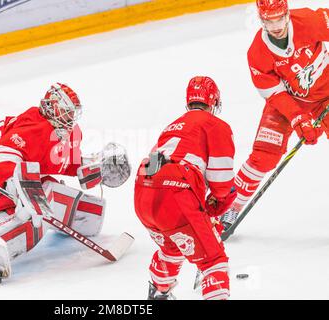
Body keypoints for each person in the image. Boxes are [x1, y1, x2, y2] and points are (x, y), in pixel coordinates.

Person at [0, 83, 130, 285]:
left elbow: (65, 163)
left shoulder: (63, 130)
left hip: (4, 166)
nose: (70, 118)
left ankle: (78, 218)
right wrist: (19, 189)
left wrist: (97, 168)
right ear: (52, 107)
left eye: (72, 113)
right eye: (65, 112)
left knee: (45, 191)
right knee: (16, 213)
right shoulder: (34, 128)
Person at [220, 0, 329, 230]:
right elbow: (276, 95)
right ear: (261, 20)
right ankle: (231, 206)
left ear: (287, 14)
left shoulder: (309, 20)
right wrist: (298, 118)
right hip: (287, 103)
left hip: (325, 96)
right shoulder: (257, 53)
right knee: (263, 156)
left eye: (279, 18)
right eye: (270, 21)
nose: (276, 25)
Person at [134, 76, 237, 300]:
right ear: (214, 102)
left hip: (143, 190)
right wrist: (218, 203)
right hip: (175, 191)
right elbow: (222, 183)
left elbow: (155, 163)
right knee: (213, 260)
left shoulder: (172, 126)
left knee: (173, 246)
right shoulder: (216, 125)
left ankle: (158, 294)